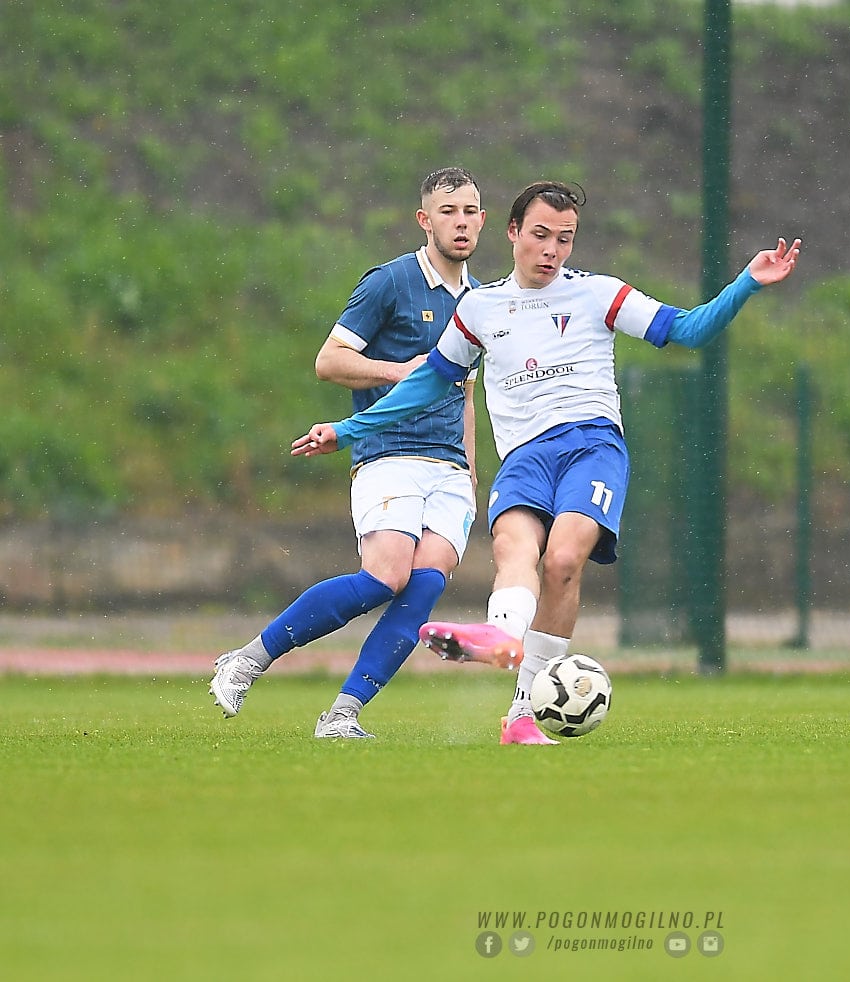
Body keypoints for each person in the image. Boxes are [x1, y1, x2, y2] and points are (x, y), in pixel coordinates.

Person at [291, 180, 802, 744]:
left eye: (565, 238)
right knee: (514, 549)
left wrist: (747, 281)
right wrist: (347, 431)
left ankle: (522, 712)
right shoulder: (478, 309)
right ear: (512, 232)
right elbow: (425, 385)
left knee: (561, 561)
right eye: (540, 235)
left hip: (592, 447)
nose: (552, 250)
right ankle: (501, 639)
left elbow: (688, 329)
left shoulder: (599, 293)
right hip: (523, 458)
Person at [210, 166, 500, 739]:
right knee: (383, 578)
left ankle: (343, 715)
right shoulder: (390, 282)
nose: (460, 222)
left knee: (424, 587)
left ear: (483, 220)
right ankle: (247, 660)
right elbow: (329, 361)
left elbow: (465, 392)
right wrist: (399, 371)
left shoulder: (482, 302)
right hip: (388, 454)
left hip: (449, 469)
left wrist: (471, 470)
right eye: (447, 212)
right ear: (424, 221)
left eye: (469, 212)